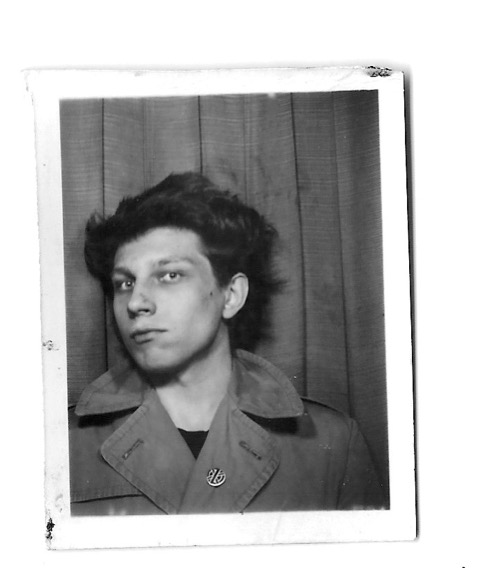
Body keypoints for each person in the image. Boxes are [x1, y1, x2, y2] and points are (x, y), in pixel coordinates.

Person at [69, 172, 385, 515]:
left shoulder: (332, 442)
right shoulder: (60, 443)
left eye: (170, 275)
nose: (135, 303)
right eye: (125, 283)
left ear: (231, 295)